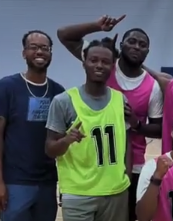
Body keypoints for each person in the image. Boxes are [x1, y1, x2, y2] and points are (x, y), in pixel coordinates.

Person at [57, 15, 164, 221]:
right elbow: (64, 35)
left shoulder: (152, 86)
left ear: (147, 52)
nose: (136, 46)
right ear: (121, 44)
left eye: (142, 44)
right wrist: (97, 27)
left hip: (130, 168)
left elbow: (158, 129)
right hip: (89, 167)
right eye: (131, 41)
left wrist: (137, 124)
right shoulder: (103, 63)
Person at [45, 38, 131, 221]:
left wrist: (127, 178)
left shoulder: (120, 100)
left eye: (105, 61)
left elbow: (127, 143)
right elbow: (50, 149)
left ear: (113, 65)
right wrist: (66, 140)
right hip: (78, 194)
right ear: (84, 63)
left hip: (116, 192)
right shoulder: (64, 101)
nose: (99, 65)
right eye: (94, 60)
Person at [0, 30, 64, 221]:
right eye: (34, 47)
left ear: (51, 54)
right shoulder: (7, 86)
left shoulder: (58, 92)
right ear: (24, 53)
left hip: (47, 182)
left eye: (45, 48)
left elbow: (63, 140)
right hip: (15, 183)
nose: (40, 52)